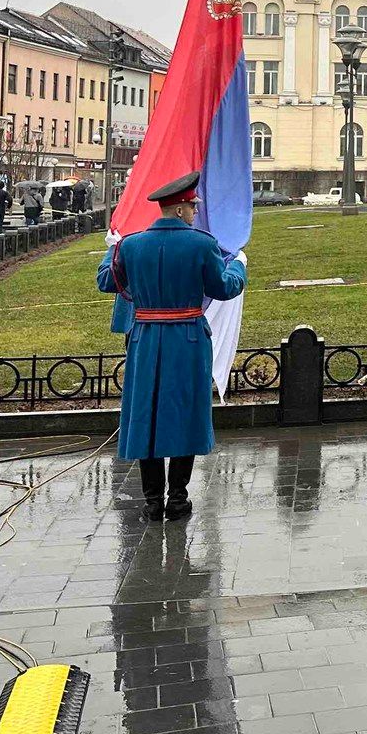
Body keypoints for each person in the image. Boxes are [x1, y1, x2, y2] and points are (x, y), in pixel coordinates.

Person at [97, 171, 247, 522]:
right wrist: (239, 266)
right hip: (188, 338)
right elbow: (224, 287)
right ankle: (178, 498)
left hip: (146, 337)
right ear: (180, 209)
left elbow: (107, 281)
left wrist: (111, 248)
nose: (195, 212)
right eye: (192, 207)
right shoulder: (202, 244)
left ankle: (152, 501)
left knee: (145, 415)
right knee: (186, 414)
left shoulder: (130, 245)